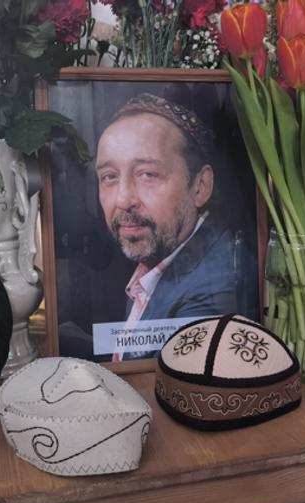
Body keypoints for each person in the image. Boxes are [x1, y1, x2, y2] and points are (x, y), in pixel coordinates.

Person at [94, 93, 246, 361]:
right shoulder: (161, 256)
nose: (123, 200)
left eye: (147, 174)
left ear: (200, 186)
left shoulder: (209, 296)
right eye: (109, 177)